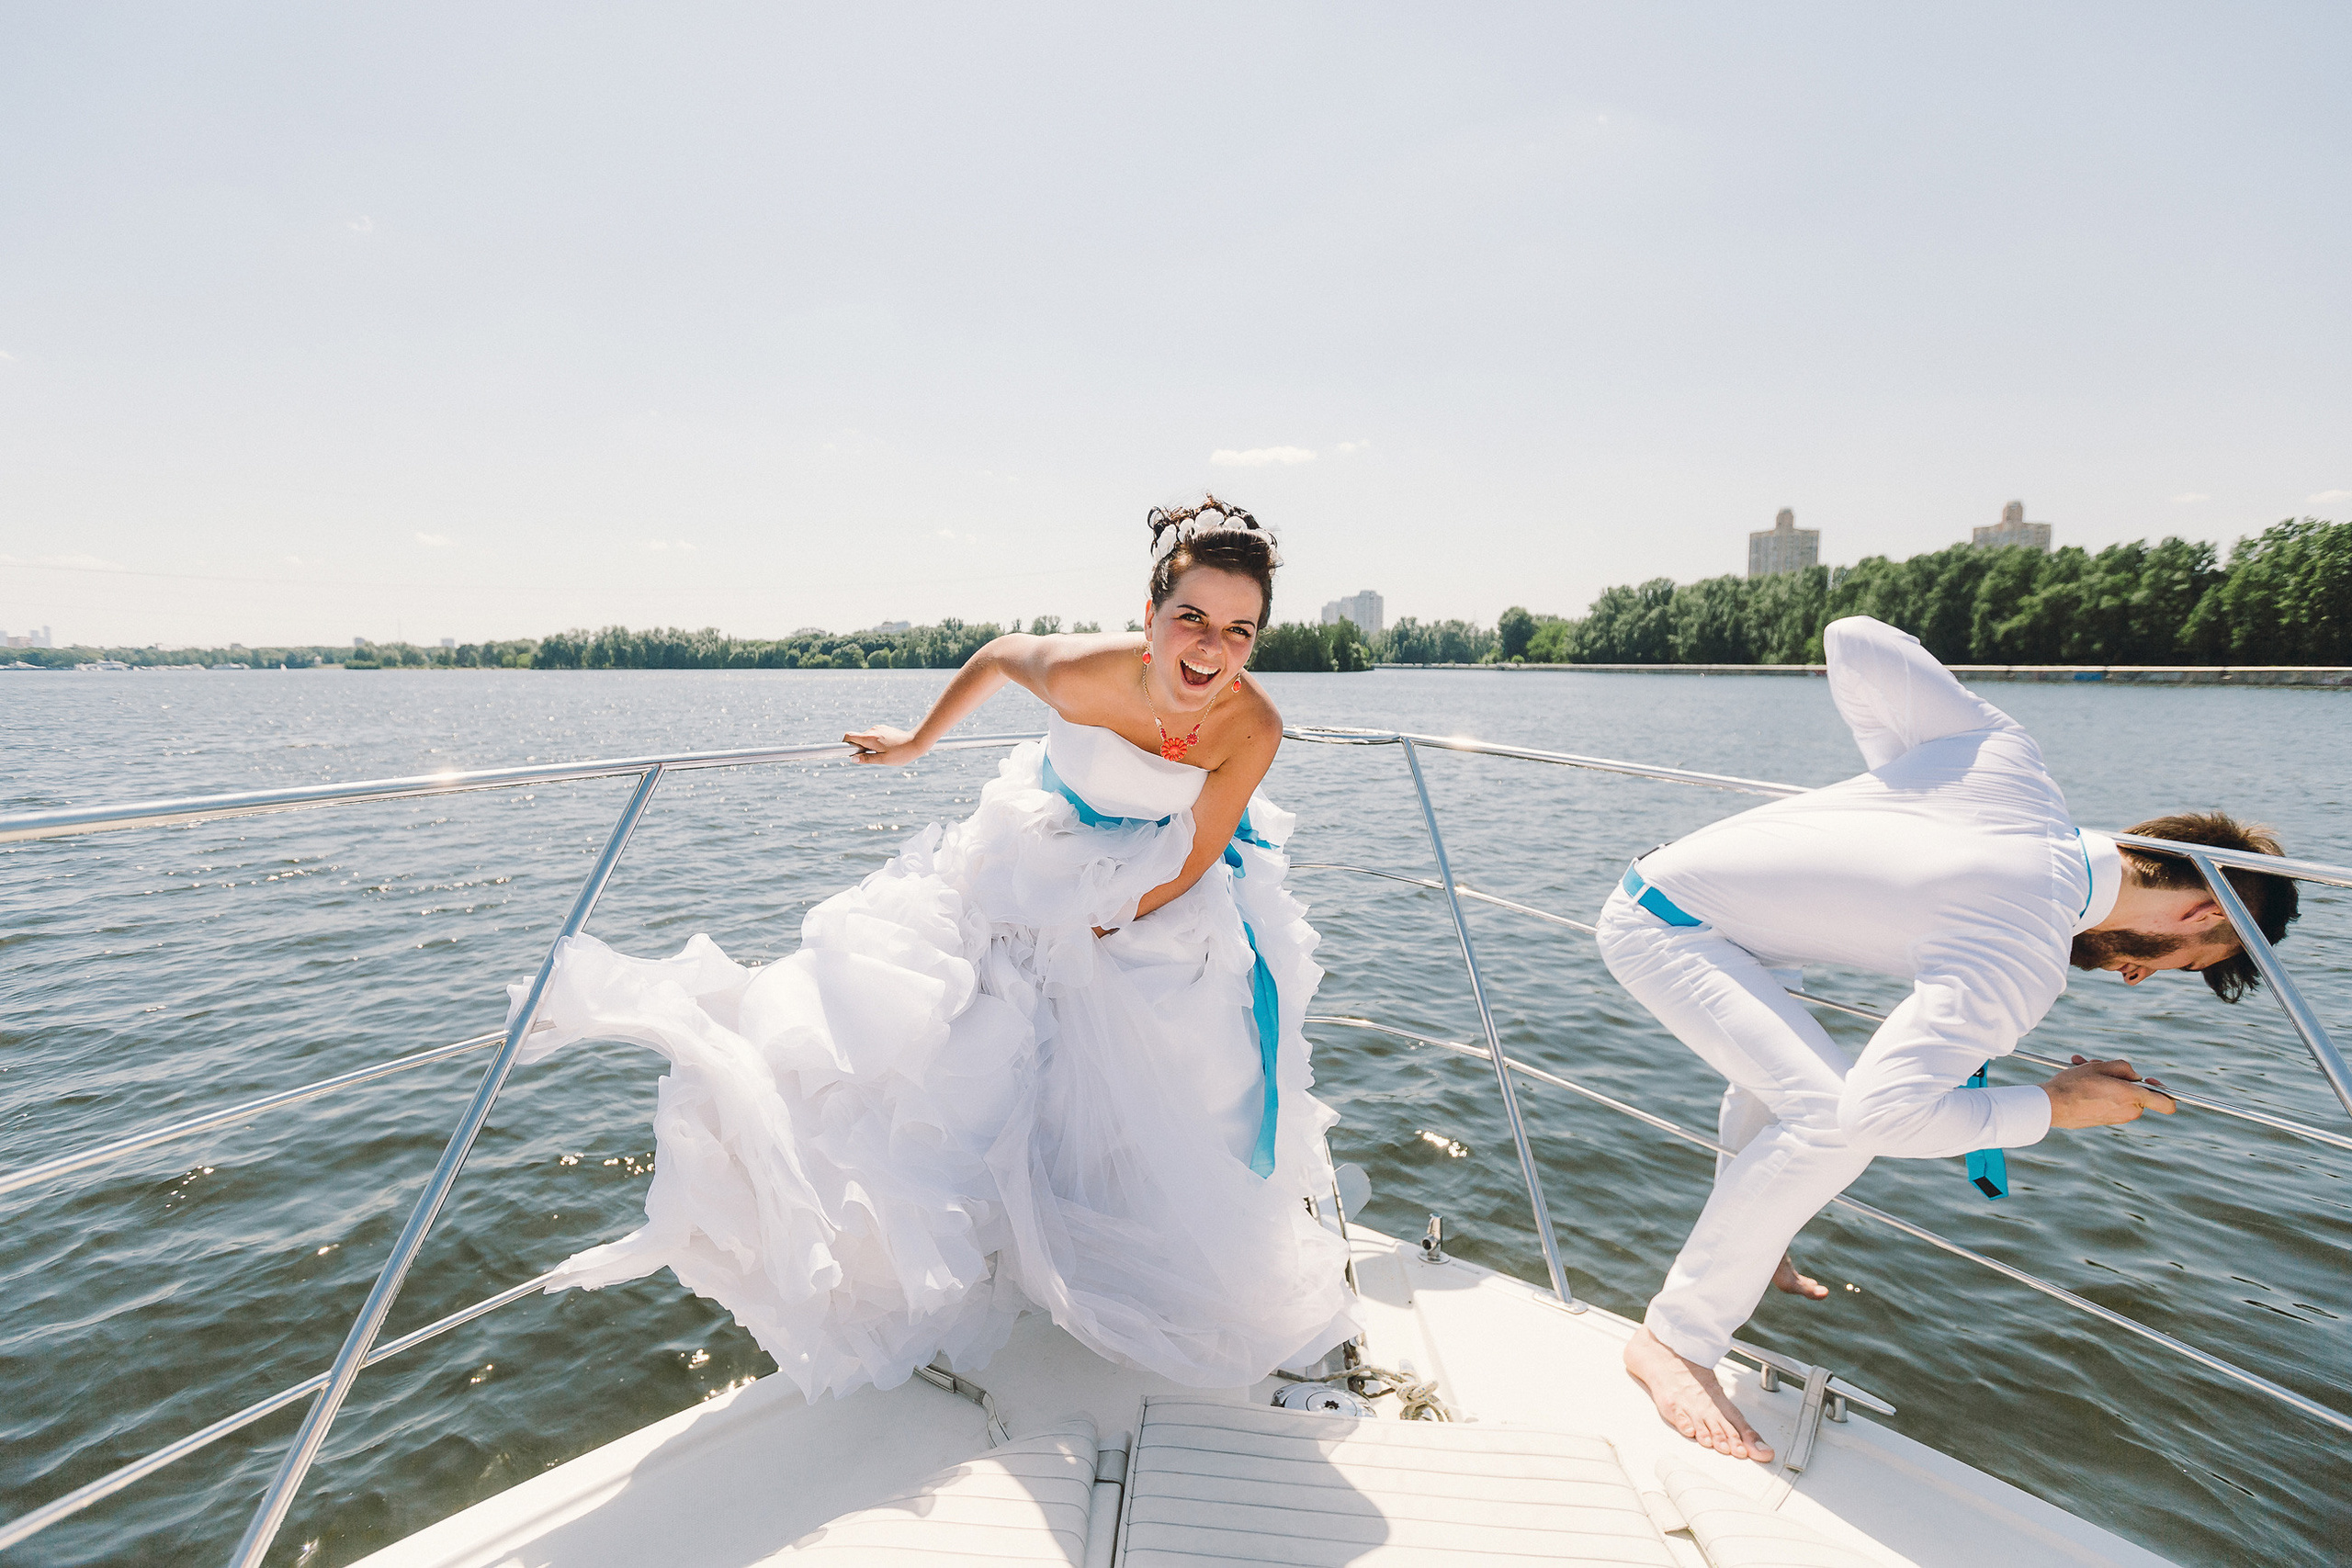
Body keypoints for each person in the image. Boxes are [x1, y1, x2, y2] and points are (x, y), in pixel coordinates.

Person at [507, 497, 1355, 1402]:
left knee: (1187, 1045)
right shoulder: (1079, 673)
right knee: (943, 1036)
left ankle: (1138, 1249)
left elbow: (1195, 852)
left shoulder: (1251, 726)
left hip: (1148, 876)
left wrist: (1107, 920)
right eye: (1190, 616)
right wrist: (915, 742)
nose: (1210, 647)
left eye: (1239, 629)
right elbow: (993, 655)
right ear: (1148, 617)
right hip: (1040, 843)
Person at [1596, 615, 2299, 1463]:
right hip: (1666, 927)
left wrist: (1904, 777)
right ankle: (1673, 1339)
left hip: (1713, 909)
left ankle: (1754, 1236)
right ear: (2199, 911)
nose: (2136, 978)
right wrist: (2054, 1105)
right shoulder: (2023, 951)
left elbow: (1852, 638)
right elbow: (1880, 1119)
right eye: (2188, 961)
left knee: (1797, 1098)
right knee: (1828, 1120)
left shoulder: (2011, 763)